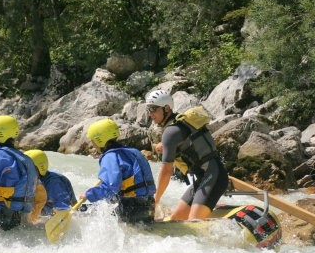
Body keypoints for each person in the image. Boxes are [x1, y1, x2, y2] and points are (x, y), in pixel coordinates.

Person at [145, 89, 228, 220]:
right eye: (148, 110)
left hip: (214, 177)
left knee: (193, 225)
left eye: (153, 109)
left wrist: (156, 199)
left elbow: (166, 171)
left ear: (166, 108)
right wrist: (163, 145)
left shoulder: (170, 133)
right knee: (175, 221)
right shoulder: (179, 125)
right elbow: (183, 141)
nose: (150, 114)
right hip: (205, 177)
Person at [79, 118, 156, 224]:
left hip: (129, 209)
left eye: (93, 141)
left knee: (83, 210)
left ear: (99, 140)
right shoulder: (134, 152)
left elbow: (111, 188)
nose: (93, 145)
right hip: (148, 206)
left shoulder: (110, 157)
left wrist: (89, 194)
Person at [24, 149, 77, 217]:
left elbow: (63, 209)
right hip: (44, 211)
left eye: (28, 168)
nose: (24, 171)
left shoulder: (54, 183)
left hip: (57, 211)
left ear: (41, 168)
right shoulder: (31, 179)